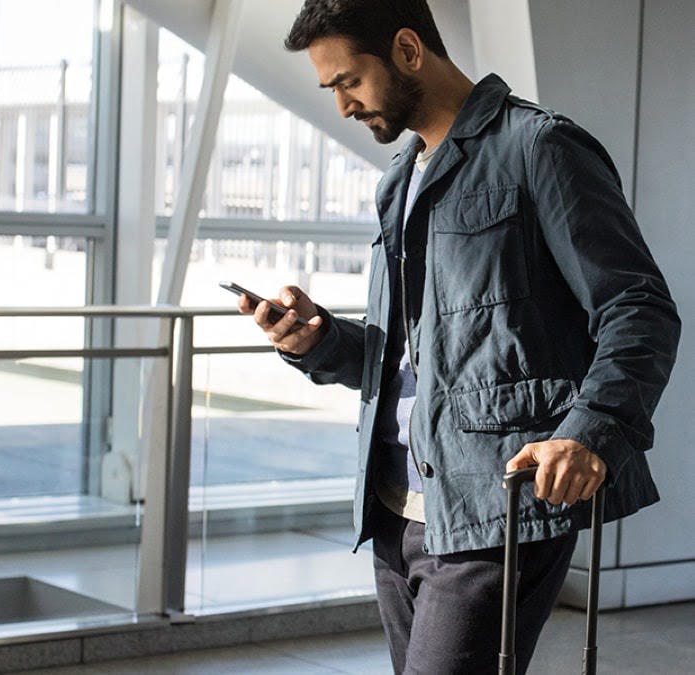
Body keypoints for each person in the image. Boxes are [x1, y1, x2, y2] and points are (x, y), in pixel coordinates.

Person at [238, 1, 681, 672]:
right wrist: (316, 340)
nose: (342, 108)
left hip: (492, 507)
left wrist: (590, 431)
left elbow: (637, 306)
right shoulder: (398, 183)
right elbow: (414, 358)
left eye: (347, 81)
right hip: (393, 509)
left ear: (408, 51)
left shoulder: (539, 147)